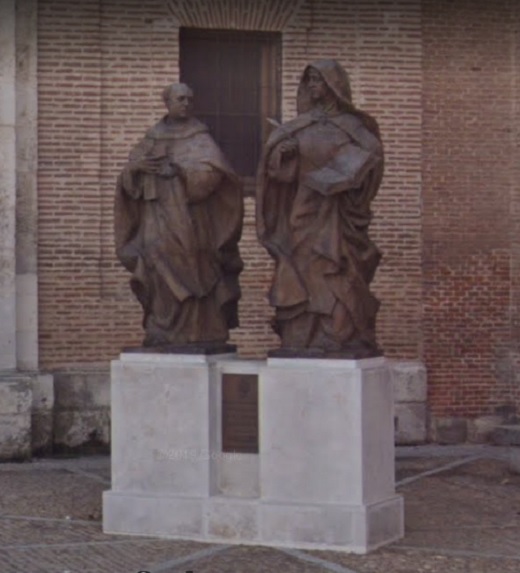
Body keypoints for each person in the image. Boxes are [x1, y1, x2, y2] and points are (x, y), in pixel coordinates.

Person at [256, 59, 384, 357]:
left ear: (333, 85)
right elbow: (278, 175)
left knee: (337, 269)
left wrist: (352, 174)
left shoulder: (353, 126)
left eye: (319, 80)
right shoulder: (299, 127)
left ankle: (338, 334)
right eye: (310, 80)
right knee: (302, 268)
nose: (313, 86)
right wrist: (282, 156)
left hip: (338, 214)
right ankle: (303, 334)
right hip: (303, 210)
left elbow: (373, 157)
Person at [115, 82, 243, 349]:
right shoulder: (151, 137)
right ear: (168, 102)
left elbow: (215, 173)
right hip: (155, 216)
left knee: (194, 266)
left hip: (190, 219)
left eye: (189, 99)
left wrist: (180, 171)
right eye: (180, 99)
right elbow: (129, 180)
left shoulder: (199, 137)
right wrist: (136, 169)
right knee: (153, 261)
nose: (186, 103)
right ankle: (161, 328)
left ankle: (198, 331)